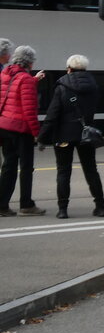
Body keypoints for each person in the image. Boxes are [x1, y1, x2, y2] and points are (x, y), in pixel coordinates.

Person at [37, 54, 104, 219]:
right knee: (91, 170)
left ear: (69, 68)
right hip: (86, 135)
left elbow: (52, 114)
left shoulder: (61, 86)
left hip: (63, 135)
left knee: (63, 172)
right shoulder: (93, 86)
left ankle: (63, 209)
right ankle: (100, 206)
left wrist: (42, 137)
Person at [0, 45, 46, 216]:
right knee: (26, 167)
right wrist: (36, 133)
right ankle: (26, 204)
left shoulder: (5, 74)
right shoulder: (25, 79)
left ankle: (2, 205)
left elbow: (13, 89)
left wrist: (33, 79)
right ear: (30, 62)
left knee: (8, 166)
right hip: (21, 129)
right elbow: (29, 110)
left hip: (4, 126)